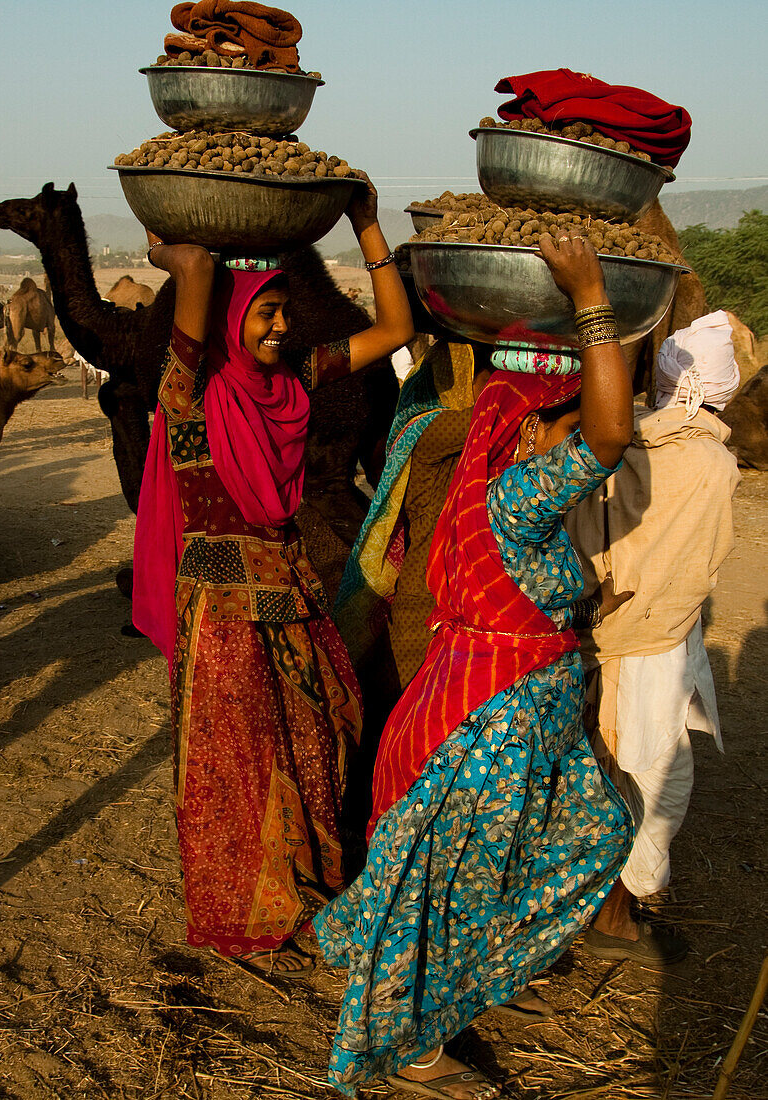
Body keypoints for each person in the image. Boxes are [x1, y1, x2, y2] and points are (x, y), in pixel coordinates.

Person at [314, 227, 636, 1099]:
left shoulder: (496, 506)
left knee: (578, 838)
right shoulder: (520, 490)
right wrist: (592, 301)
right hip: (481, 740)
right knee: (448, 894)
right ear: (532, 434)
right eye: (564, 425)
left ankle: (448, 985)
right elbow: (609, 437)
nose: (585, 450)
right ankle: (414, 1044)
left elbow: (516, 600)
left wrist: (573, 617)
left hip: (499, 723)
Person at [131, 178, 414, 976]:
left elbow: (394, 326)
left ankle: (312, 884)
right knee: (239, 761)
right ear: (230, 316)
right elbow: (192, 285)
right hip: (221, 605)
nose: (281, 326)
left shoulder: (294, 383)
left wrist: (366, 224)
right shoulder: (192, 391)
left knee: (322, 732)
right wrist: (185, 259)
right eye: (265, 311)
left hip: (291, 591)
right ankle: (251, 907)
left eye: (286, 312)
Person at [567, 310, 741, 964]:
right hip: (654, 646)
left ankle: (608, 907)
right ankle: (614, 916)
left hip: (607, 631)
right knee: (645, 779)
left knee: (620, 770)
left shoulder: (618, 442)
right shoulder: (712, 464)